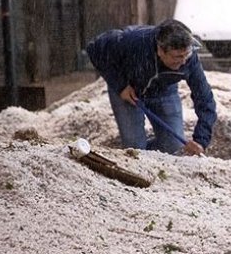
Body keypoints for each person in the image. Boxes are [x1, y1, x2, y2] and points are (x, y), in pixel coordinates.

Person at [86, 20, 217, 156]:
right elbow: (95, 48)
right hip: (128, 90)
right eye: (177, 57)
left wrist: (201, 140)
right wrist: (120, 85)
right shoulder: (133, 41)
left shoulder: (190, 59)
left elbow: (205, 98)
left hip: (164, 91)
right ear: (160, 50)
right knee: (135, 147)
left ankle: (149, 153)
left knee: (173, 146)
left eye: (186, 55)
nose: (184, 61)